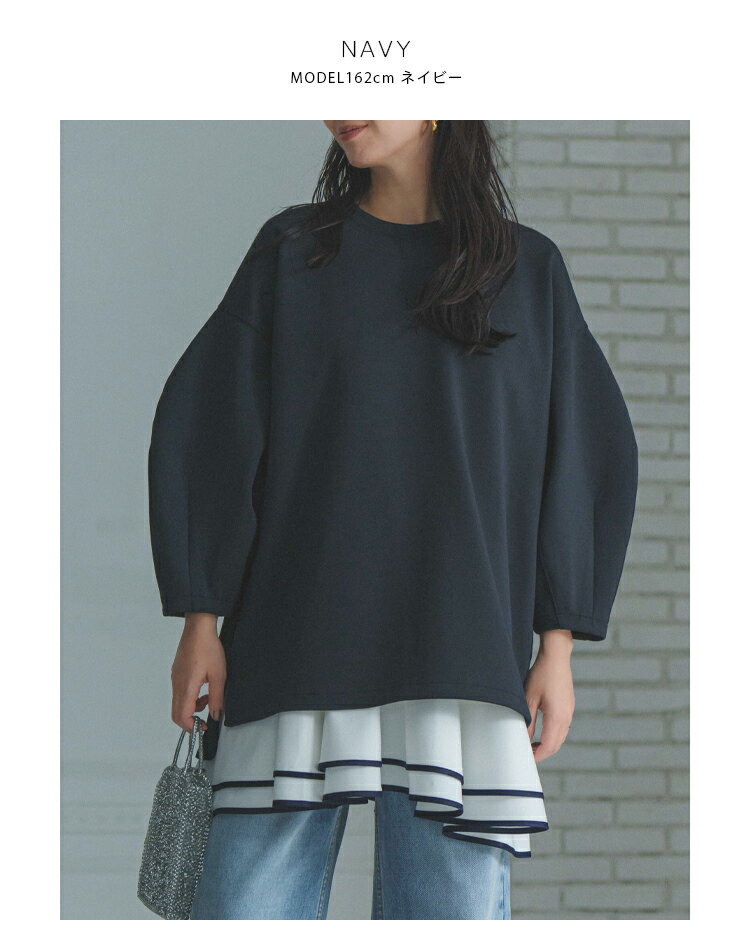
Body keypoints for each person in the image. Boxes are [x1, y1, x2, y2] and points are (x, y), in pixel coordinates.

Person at [147, 120, 638, 920]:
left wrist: (558, 645)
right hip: (296, 639)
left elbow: (582, 450)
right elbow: (210, 426)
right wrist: (201, 618)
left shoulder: (527, 270)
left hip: (461, 648)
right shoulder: (294, 254)